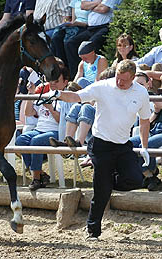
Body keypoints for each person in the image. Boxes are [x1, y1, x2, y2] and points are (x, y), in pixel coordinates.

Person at [44, 59, 150, 240]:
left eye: (124, 80)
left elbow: (145, 120)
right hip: (101, 144)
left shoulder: (141, 93)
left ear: (133, 78)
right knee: (101, 193)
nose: (119, 82)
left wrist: (145, 146)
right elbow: (77, 97)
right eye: (117, 77)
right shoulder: (103, 86)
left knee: (135, 179)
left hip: (123, 145)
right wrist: (58, 94)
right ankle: (93, 230)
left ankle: (108, 182)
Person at [15, 65, 70, 191]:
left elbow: (62, 121)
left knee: (36, 142)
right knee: (21, 140)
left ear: (65, 82)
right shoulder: (45, 94)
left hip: (57, 132)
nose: (53, 84)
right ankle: (40, 174)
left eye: (56, 81)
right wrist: (31, 94)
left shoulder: (67, 97)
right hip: (39, 129)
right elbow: (29, 113)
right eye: (51, 80)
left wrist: (50, 108)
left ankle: (36, 179)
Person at [65, 0, 122, 79]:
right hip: (90, 28)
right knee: (70, 43)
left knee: (90, 45)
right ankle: (75, 76)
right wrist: (98, 3)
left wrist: (90, 6)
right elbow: (83, 6)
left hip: (104, 26)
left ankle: (95, 77)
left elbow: (104, 9)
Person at [50, 0, 89, 65]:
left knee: (68, 42)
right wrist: (69, 23)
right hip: (75, 26)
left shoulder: (91, 2)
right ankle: (61, 66)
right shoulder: (75, 1)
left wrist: (77, 23)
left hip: (85, 26)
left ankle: (72, 69)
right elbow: (73, 20)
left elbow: (91, 22)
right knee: (56, 37)